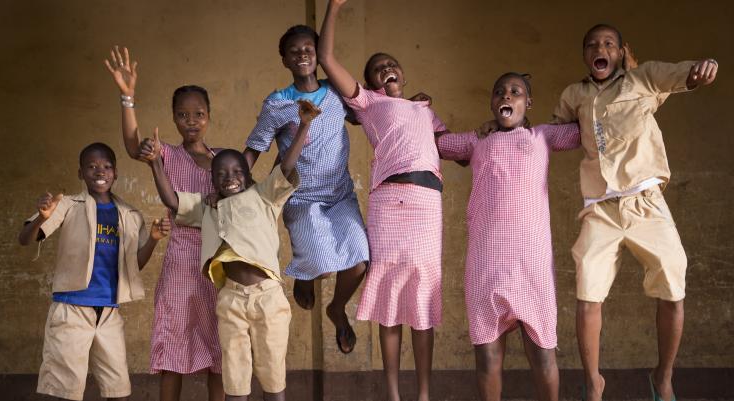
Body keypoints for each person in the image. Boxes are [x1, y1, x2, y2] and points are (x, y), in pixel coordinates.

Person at [551, 24, 719, 401]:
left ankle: (663, 376)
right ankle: (594, 382)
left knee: (674, 288)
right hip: (600, 208)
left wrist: (703, 67)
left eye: (609, 43)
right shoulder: (574, 95)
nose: (600, 47)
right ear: (584, 55)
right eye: (592, 43)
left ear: (621, 51)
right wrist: (509, 132)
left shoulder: (644, 78)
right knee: (587, 293)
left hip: (646, 202)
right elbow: (554, 133)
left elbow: (685, 74)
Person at [140, 100, 319, 401]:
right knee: (234, 377)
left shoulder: (264, 196)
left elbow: (286, 165)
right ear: (211, 182)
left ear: (249, 176)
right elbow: (172, 201)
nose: (230, 177)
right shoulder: (208, 208)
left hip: (267, 297)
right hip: (230, 300)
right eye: (221, 174)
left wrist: (304, 125)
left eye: (237, 171)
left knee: (273, 375)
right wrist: (156, 162)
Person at [318, 1, 448, 399]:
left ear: (403, 74)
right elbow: (325, 58)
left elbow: (450, 146)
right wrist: (334, 8)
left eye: (391, 64)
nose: (386, 69)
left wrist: (495, 132)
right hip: (390, 203)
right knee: (390, 300)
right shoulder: (369, 105)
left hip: (427, 205)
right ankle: (392, 393)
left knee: (423, 302)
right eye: (378, 68)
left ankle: (423, 393)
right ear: (370, 85)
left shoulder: (425, 109)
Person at [438, 73, 580, 401]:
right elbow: (438, 143)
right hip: (486, 261)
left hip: (532, 263)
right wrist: (418, 108)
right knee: (487, 355)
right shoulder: (477, 141)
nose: (507, 96)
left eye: (516, 92)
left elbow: (585, 129)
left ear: (528, 102)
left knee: (542, 352)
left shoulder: (542, 136)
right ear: (492, 103)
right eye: (500, 91)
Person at [104, 46, 224, 401]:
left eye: (198, 113)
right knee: (173, 348)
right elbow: (130, 145)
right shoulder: (166, 154)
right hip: (180, 266)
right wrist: (128, 97)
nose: (191, 120)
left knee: (220, 352)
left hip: (217, 265)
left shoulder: (222, 161)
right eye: (183, 114)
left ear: (209, 116)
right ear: (173, 118)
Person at [243, 25, 369, 353]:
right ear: (284, 60)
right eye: (294, 51)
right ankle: (306, 272)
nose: (302, 54)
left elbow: (371, 111)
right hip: (301, 197)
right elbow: (255, 148)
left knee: (360, 261)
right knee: (320, 261)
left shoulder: (336, 92)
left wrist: (407, 106)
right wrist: (232, 185)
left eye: (308, 49)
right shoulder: (276, 104)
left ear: (317, 54)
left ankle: (336, 308)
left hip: (339, 194)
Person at [18, 142, 169, 401]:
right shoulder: (66, 205)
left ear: (116, 172)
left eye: (107, 166)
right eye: (92, 167)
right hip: (71, 310)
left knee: (119, 389)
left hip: (109, 313)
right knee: (65, 391)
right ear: (80, 173)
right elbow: (24, 239)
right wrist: (42, 218)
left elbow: (134, 268)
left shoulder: (129, 214)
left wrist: (153, 239)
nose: (100, 171)